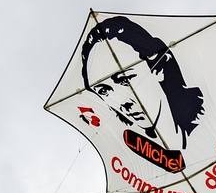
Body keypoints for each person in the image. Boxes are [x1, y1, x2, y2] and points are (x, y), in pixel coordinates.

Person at [80, 16, 204, 151]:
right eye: (103, 91)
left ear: (160, 68)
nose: (123, 102)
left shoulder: (205, 128)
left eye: (125, 79)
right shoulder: (134, 150)